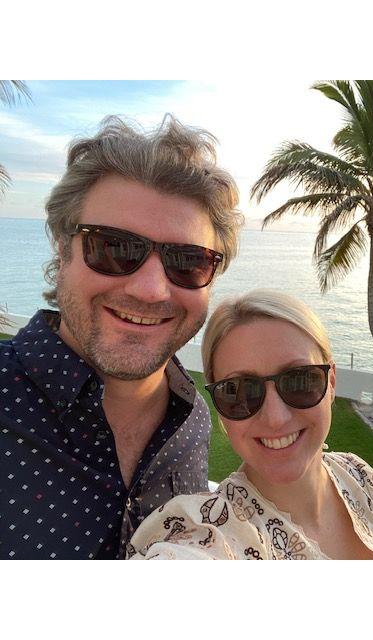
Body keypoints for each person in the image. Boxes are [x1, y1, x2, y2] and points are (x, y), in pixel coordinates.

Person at [0, 115, 242, 559]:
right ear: (63, 250)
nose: (150, 290)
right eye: (113, 248)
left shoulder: (192, 420)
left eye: (187, 261)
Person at [127, 290, 373, 559]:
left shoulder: (358, 477)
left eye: (299, 381)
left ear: (331, 382)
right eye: (239, 391)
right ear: (220, 408)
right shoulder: (209, 536)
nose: (275, 418)